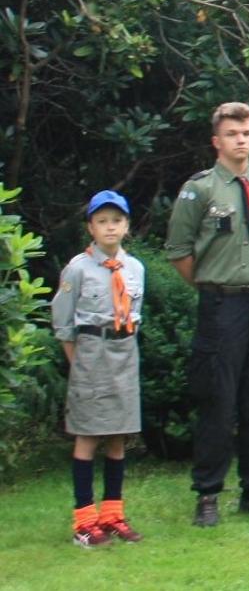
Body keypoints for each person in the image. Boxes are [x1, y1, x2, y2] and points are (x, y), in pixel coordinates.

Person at [165, 102, 249, 526]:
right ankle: (208, 494)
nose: (241, 140)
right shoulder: (200, 189)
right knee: (218, 400)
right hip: (221, 304)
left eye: (247, 133)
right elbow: (180, 253)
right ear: (217, 141)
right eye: (233, 134)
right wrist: (213, 285)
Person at [52, 191, 147, 546]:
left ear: (126, 226)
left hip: (125, 351)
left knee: (118, 436)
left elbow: (136, 314)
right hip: (91, 351)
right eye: (102, 221)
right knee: (88, 434)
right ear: (91, 226)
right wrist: (79, 364)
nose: (110, 227)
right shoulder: (77, 269)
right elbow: (63, 324)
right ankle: (83, 521)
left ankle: (112, 514)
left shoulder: (135, 268)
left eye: (117, 221)